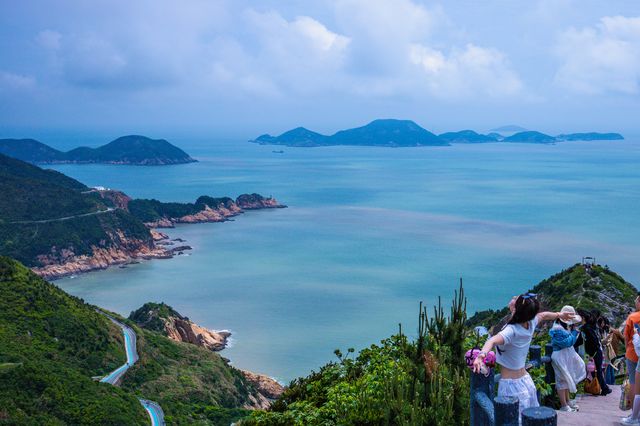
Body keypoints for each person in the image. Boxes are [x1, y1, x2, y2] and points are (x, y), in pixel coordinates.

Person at [472, 293, 574, 415]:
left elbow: (492, 340)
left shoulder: (511, 331)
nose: (514, 298)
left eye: (516, 300)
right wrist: (559, 314)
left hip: (511, 386)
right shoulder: (530, 323)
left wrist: (481, 356)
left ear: (518, 310)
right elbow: (544, 315)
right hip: (527, 382)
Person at [549, 306, 585, 412]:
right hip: (560, 356)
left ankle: (567, 402)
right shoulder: (557, 329)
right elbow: (566, 343)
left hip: (564, 355)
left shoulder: (563, 327)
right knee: (561, 380)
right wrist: (574, 333)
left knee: (566, 379)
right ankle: (564, 405)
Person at [574, 309, 611, 396]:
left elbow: (594, 341)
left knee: (597, 371)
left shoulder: (587, 328)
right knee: (595, 371)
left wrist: (591, 354)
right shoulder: (586, 328)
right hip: (594, 353)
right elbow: (580, 340)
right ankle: (599, 388)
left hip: (594, 353)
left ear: (583, 318)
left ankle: (602, 388)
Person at [625, 294, 640, 405]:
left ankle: (634, 414)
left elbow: (626, 337)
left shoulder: (632, 317)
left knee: (633, 382)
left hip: (632, 353)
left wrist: (627, 349)